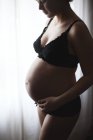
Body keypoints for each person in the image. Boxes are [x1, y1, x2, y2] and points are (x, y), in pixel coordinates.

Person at [25, 0, 93, 139]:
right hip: (44, 103)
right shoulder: (51, 20)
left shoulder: (77, 29)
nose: (39, 8)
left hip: (62, 105)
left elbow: (91, 75)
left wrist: (58, 101)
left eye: (43, 1)